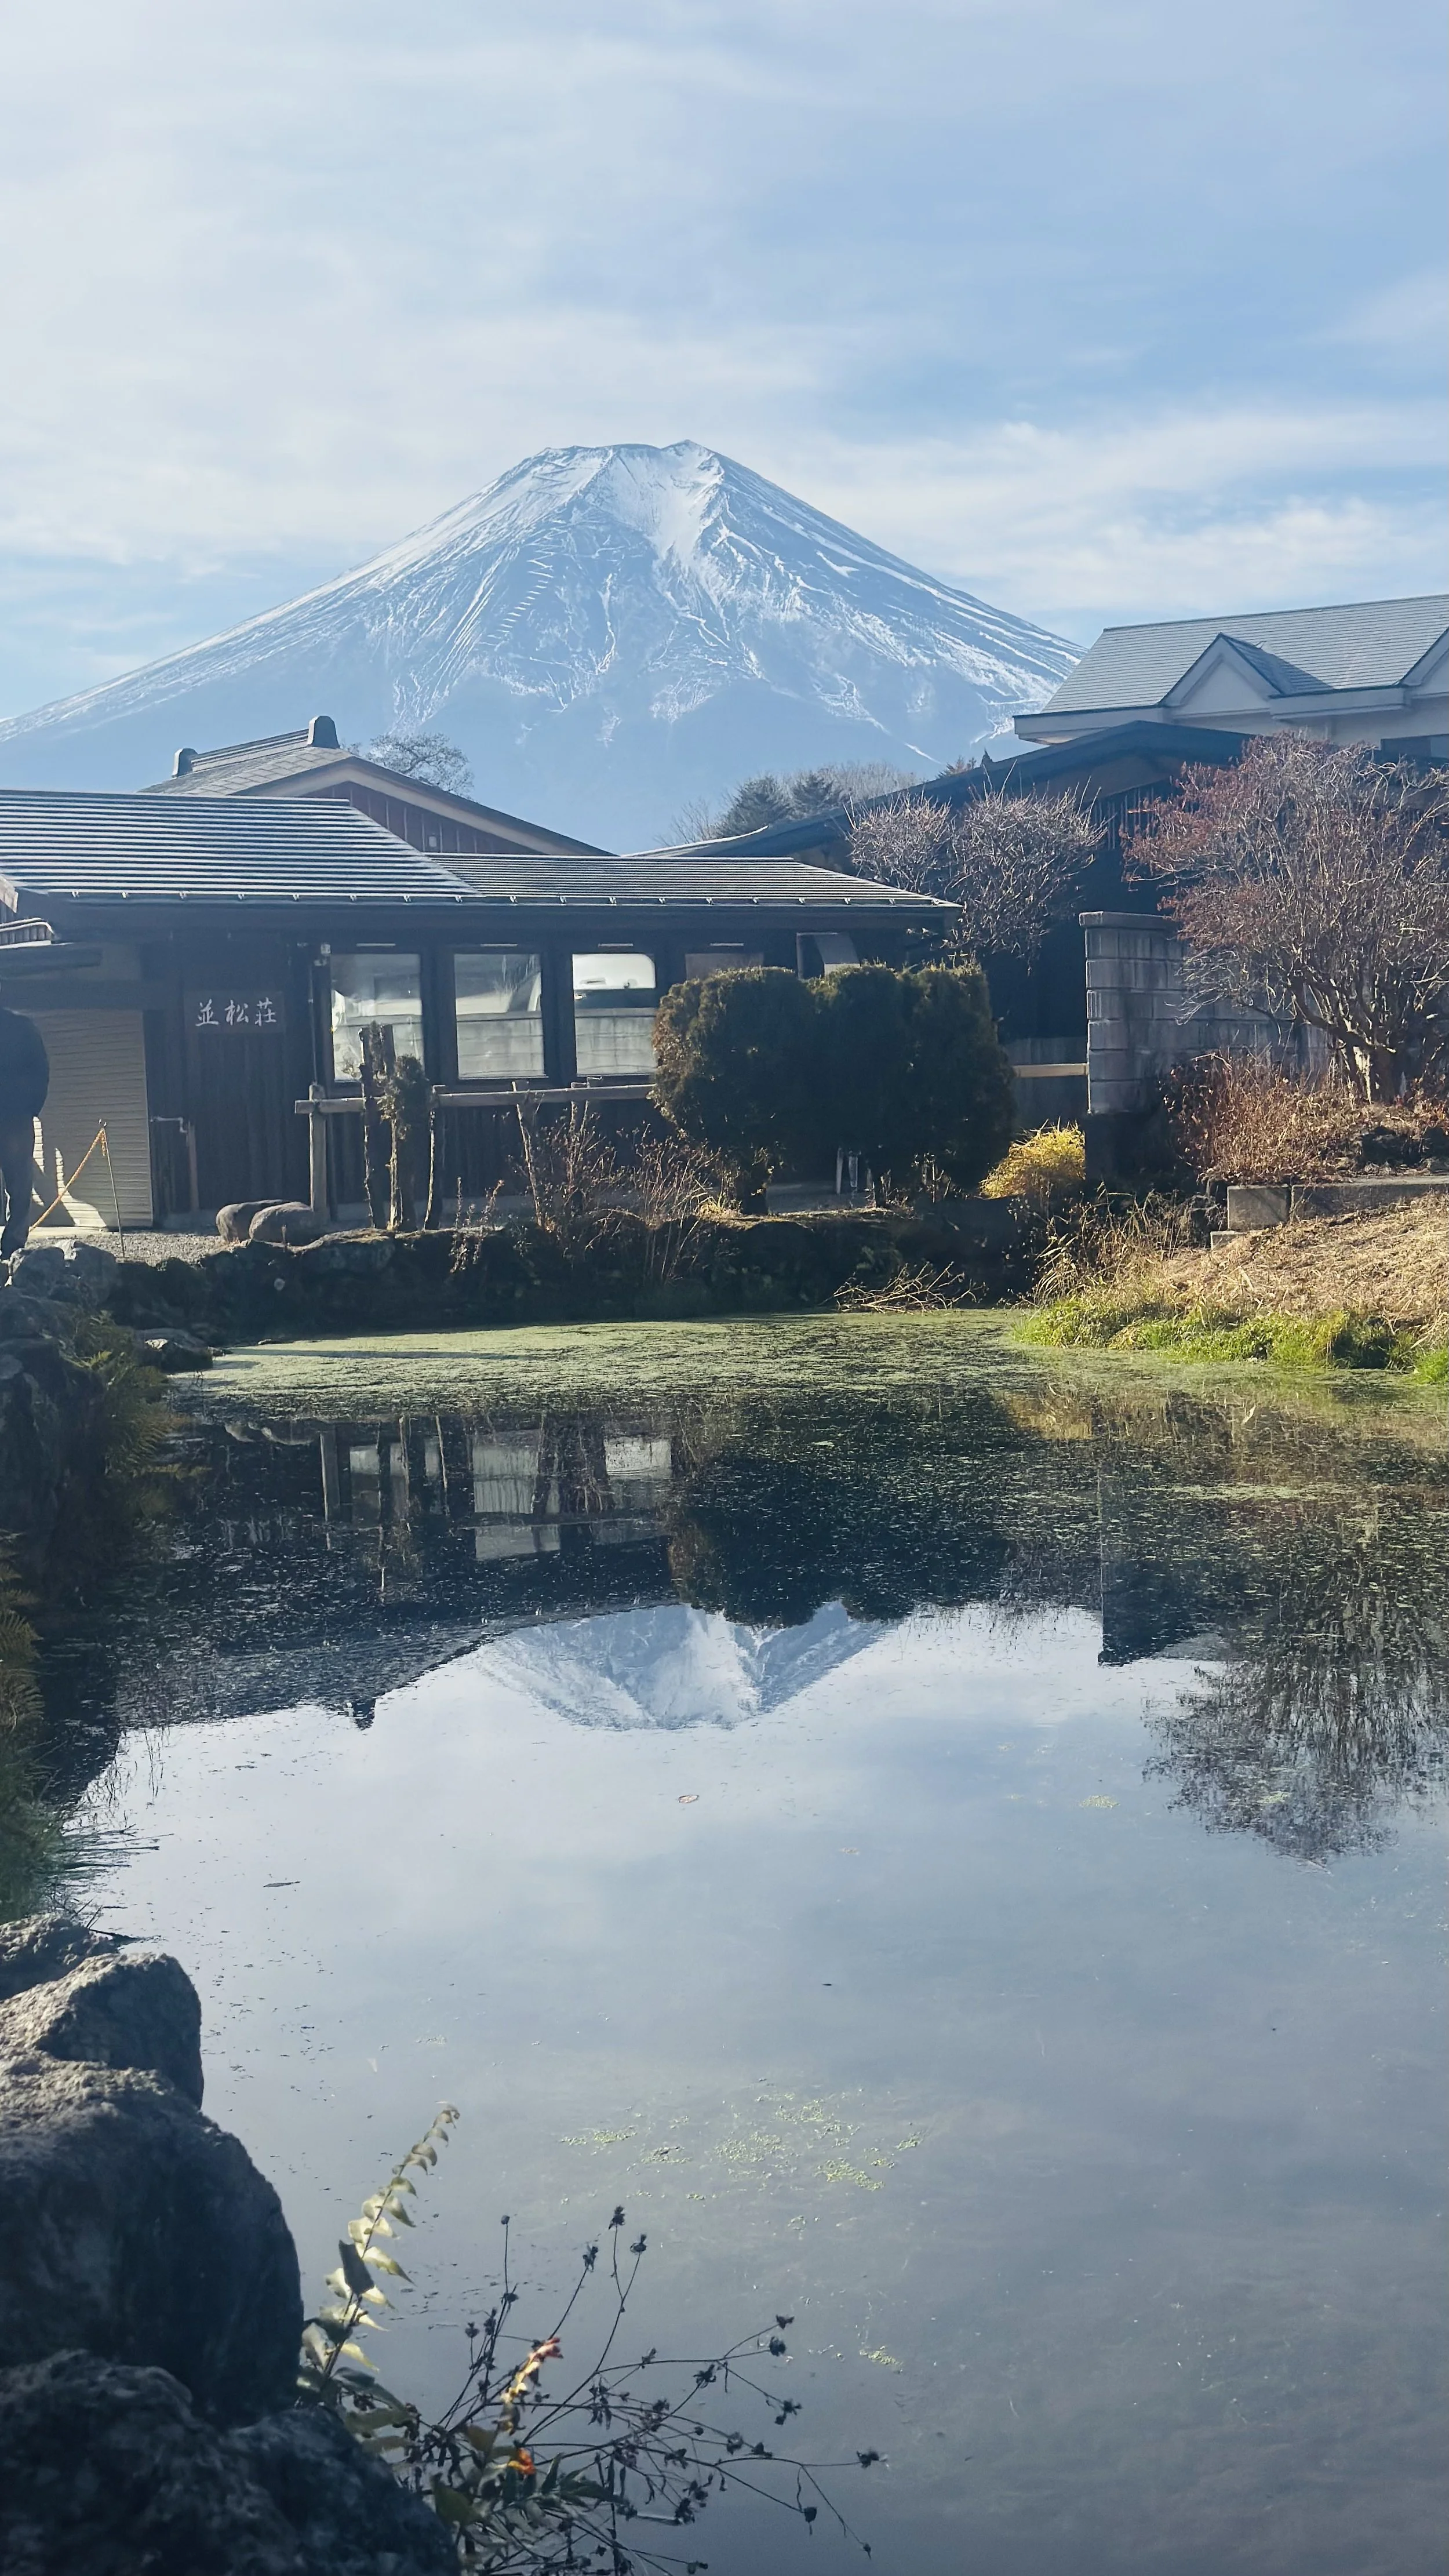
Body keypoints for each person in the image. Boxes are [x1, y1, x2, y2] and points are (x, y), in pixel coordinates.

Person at [0, 1006, 49, 1258]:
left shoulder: (23, 1028)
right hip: (17, 1115)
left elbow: (40, 1070)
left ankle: (14, 1245)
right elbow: (41, 1069)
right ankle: (14, 1246)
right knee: (20, 1185)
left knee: (20, 1185)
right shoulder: (23, 1028)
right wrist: (31, 1107)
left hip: (16, 1114)